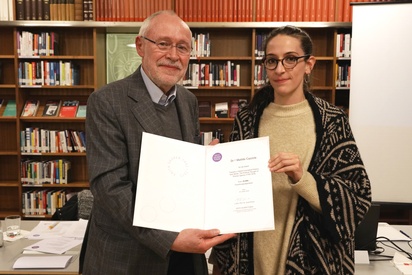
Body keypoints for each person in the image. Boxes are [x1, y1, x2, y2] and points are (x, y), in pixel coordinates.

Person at [81, 10, 235, 275]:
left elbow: (177, 168)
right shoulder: (107, 101)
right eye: (163, 44)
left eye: (182, 47)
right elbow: (110, 188)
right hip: (127, 258)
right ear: (141, 46)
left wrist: (203, 164)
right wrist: (169, 239)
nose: (173, 55)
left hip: (185, 253)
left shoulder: (188, 101)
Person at [211, 25, 372, 275]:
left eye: (290, 59)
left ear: (309, 64)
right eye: (272, 61)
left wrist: (303, 178)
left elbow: (357, 198)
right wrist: (213, 167)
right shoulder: (246, 119)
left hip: (313, 262)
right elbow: (230, 195)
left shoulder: (332, 121)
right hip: (250, 259)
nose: (280, 69)